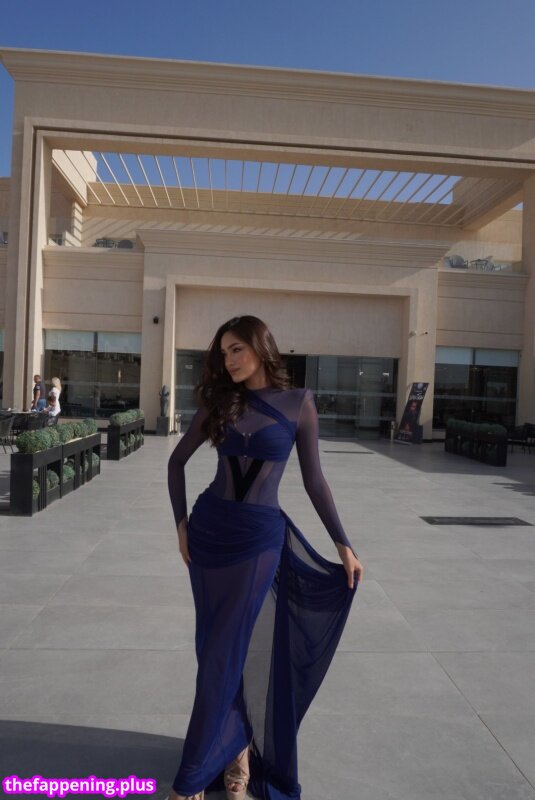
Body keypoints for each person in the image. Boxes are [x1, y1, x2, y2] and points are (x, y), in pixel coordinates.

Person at [167, 316, 362, 800]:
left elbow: (315, 481)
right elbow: (176, 461)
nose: (229, 360)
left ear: (260, 347)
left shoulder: (299, 403)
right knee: (213, 648)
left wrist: (343, 543)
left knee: (222, 652)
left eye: (237, 349)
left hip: (258, 541)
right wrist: (181, 524)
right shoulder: (220, 400)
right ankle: (236, 751)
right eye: (223, 353)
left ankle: (189, 782)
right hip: (209, 533)